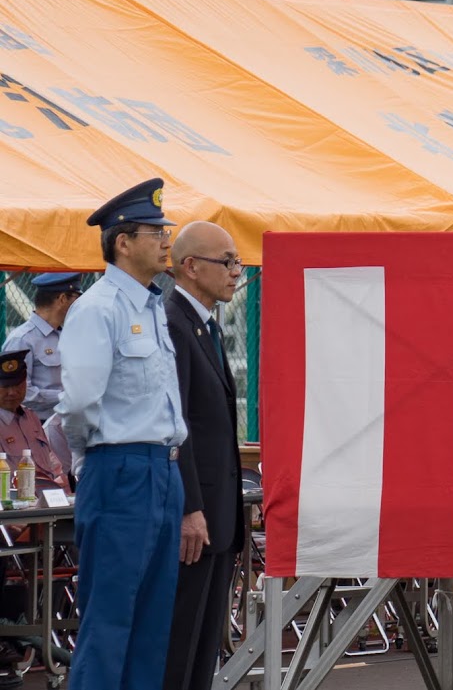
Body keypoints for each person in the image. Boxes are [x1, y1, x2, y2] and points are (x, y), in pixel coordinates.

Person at [57, 178, 188, 690]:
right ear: (122, 241)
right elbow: (79, 403)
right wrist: (94, 460)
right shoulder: (99, 308)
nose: (164, 239)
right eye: (153, 230)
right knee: (109, 621)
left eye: (164, 229)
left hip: (161, 468)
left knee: (152, 625)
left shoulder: (152, 306)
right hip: (120, 468)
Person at [162, 222, 246, 690]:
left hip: (217, 516)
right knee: (179, 646)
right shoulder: (173, 324)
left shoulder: (203, 326)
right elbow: (178, 429)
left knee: (202, 648)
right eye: (227, 261)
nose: (237, 272)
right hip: (195, 518)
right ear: (191, 267)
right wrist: (189, 506)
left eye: (238, 262)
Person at [3, 272, 82, 422]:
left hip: (66, 422)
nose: (80, 305)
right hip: (36, 425)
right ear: (62, 298)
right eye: (77, 298)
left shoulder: (66, 335)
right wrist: (67, 396)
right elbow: (18, 392)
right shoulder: (22, 339)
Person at [0, 350, 68, 489]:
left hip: (47, 503)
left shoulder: (30, 417)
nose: (12, 392)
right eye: (5, 387)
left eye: (18, 385)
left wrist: (64, 496)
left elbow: (54, 466)